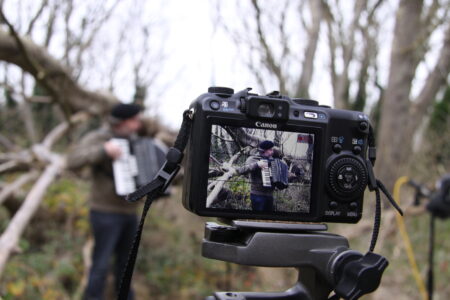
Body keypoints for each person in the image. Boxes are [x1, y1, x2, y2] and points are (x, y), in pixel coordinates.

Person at [68, 103, 163, 300]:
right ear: (122, 122)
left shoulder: (138, 141)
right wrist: (103, 151)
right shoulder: (98, 138)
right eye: (134, 120)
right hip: (104, 213)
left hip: (129, 213)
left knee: (126, 266)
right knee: (100, 265)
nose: (138, 125)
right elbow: (72, 161)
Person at [235, 140, 276, 212]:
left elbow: (276, 176)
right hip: (258, 195)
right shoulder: (253, 159)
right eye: (270, 150)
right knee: (258, 219)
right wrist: (257, 164)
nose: (272, 151)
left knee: (268, 220)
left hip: (270, 195)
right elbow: (241, 170)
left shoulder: (273, 160)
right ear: (263, 150)